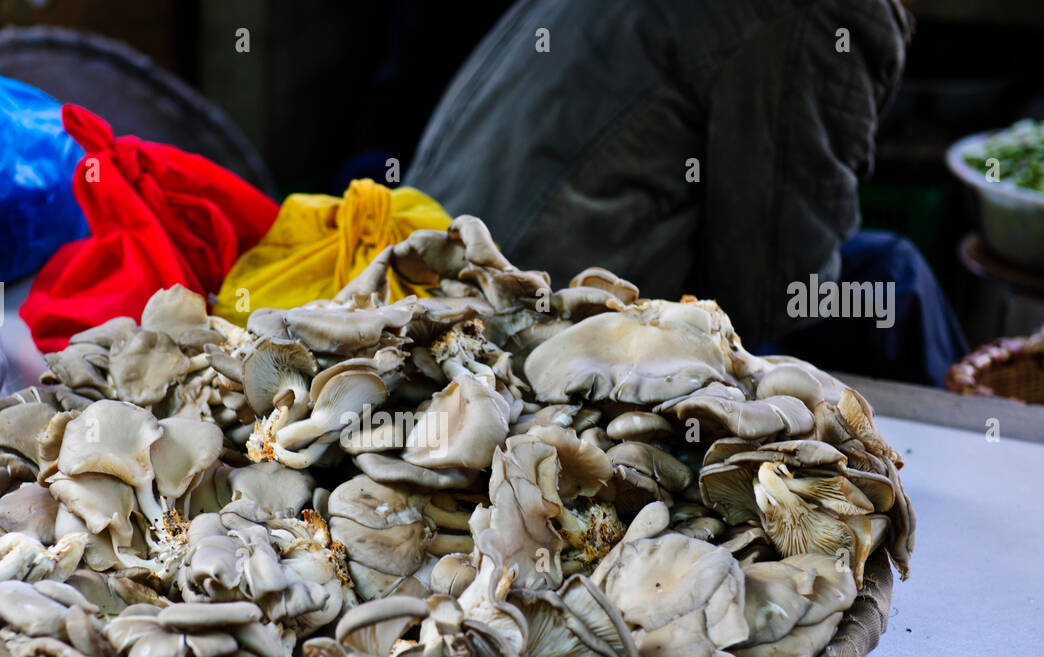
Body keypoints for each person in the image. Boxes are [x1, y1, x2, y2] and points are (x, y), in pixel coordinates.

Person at [409, 0, 967, 385]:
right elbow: (774, 298)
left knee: (890, 275)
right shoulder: (823, 15)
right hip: (525, 333)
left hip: (424, 267)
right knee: (894, 282)